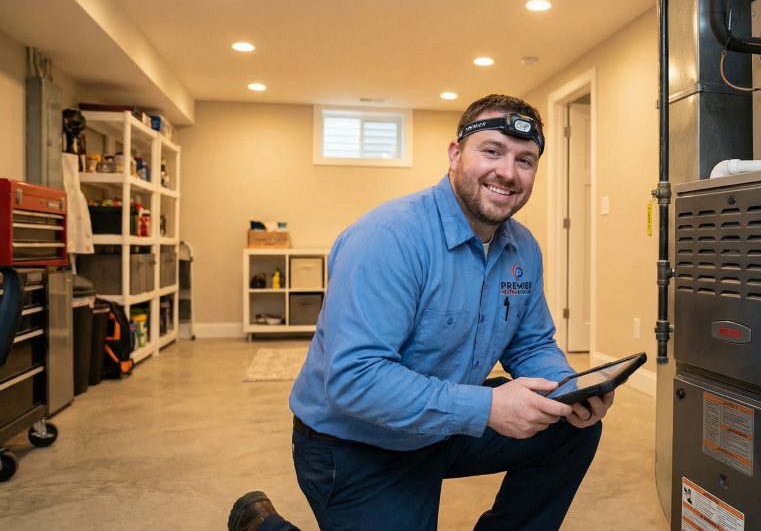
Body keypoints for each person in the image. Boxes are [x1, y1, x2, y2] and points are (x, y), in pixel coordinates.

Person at [230, 94, 614, 531]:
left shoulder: (522, 247)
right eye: (491, 151)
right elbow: (354, 377)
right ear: (455, 154)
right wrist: (486, 407)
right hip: (355, 443)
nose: (507, 172)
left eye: (525, 160)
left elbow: (531, 342)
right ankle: (261, 526)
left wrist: (567, 389)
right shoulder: (389, 237)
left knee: (569, 429)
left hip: (442, 424)